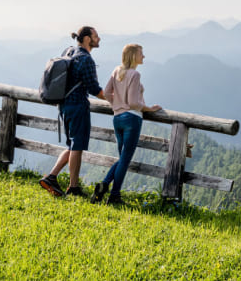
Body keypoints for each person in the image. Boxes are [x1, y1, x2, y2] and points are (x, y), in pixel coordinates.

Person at [39, 26, 106, 198]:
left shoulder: (69, 52)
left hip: (63, 105)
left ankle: (52, 177)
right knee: (77, 146)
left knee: (71, 145)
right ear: (86, 39)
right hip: (78, 106)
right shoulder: (86, 60)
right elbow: (94, 89)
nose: (98, 39)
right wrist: (116, 100)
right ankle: (73, 187)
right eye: (95, 36)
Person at [91, 43, 161, 204]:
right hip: (132, 119)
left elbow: (107, 92)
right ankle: (114, 196)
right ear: (133, 56)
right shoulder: (135, 75)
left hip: (117, 118)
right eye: (141, 53)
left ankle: (104, 185)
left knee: (122, 157)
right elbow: (133, 102)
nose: (143, 56)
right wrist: (149, 108)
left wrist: (117, 104)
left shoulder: (117, 71)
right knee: (125, 159)